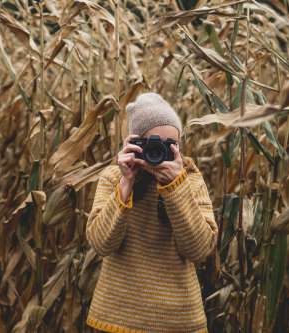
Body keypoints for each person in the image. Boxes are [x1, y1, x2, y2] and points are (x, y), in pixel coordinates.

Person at [85, 92, 218, 333]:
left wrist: (175, 187)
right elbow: (101, 244)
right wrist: (125, 185)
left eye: (170, 146)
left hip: (178, 319)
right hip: (118, 316)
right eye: (153, 144)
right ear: (135, 144)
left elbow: (199, 250)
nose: (159, 153)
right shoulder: (114, 178)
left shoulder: (191, 181)